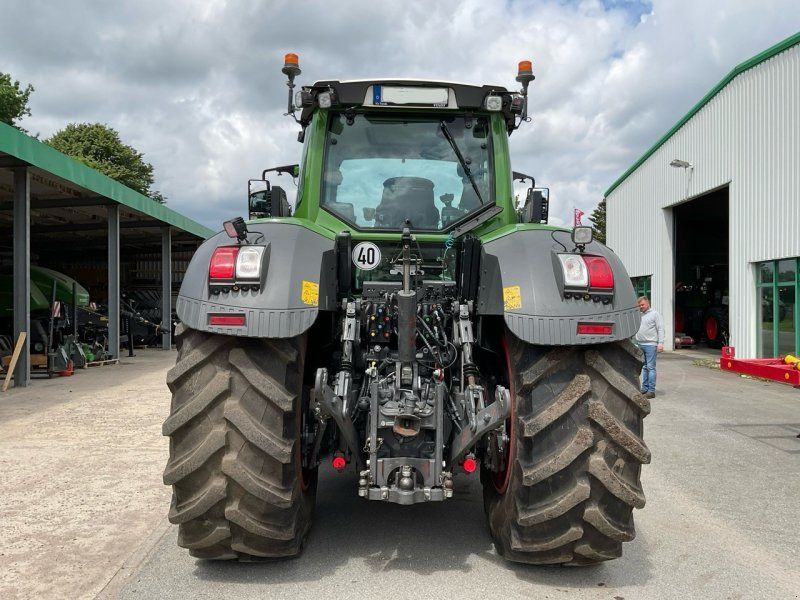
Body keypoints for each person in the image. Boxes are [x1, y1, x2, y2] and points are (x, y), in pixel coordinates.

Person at [635, 296, 664, 399]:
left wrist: (660, 343)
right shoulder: (640, 315)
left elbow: (660, 329)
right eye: (639, 305)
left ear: (647, 303)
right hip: (640, 344)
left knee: (650, 367)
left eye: (642, 305)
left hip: (651, 345)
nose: (641, 307)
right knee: (644, 367)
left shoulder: (655, 314)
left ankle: (651, 391)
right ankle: (644, 388)